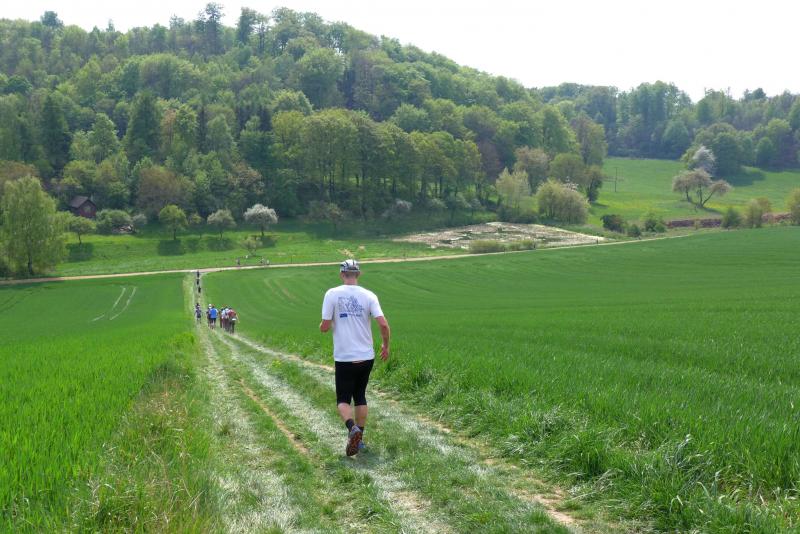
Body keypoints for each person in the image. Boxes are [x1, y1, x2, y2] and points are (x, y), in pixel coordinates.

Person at [320, 259, 390, 456]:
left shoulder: (332, 294)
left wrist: (323, 326)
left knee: (343, 399)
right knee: (360, 396)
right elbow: (383, 325)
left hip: (345, 357)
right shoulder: (369, 295)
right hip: (366, 356)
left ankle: (352, 429)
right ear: (358, 274)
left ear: (342, 274)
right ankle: (360, 440)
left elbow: (325, 327)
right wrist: (385, 345)